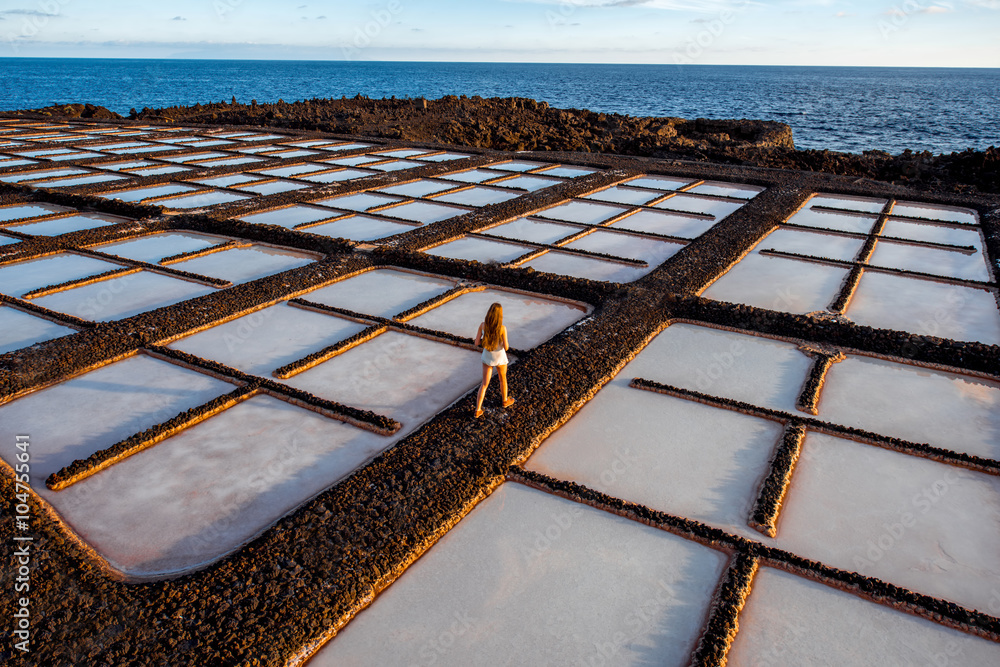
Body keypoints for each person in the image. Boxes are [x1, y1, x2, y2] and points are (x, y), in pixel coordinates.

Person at [473, 302, 515, 418]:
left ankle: (478, 409)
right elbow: (506, 347)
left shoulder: (482, 325)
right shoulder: (502, 328)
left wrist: (486, 342)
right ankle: (505, 401)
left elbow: (476, 343)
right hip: (500, 357)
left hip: (487, 356)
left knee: (485, 383)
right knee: (503, 379)